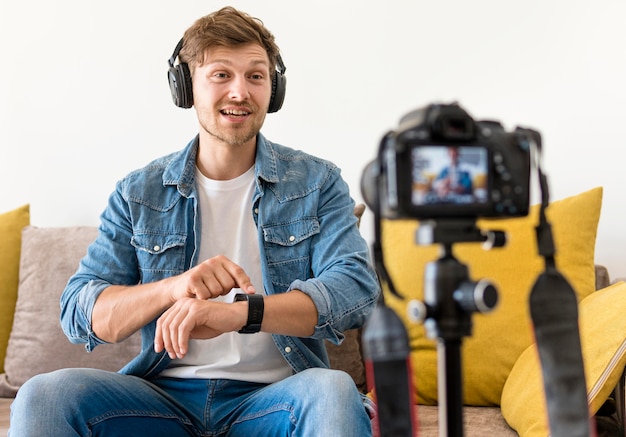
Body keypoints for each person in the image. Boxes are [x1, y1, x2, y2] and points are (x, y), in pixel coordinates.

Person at [9, 6, 380, 436]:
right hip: (160, 399)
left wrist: (241, 314)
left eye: (256, 76)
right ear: (185, 87)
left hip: (279, 399)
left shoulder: (317, 182)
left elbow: (353, 289)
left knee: (334, 390)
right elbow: (80, 310)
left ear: (273, 89)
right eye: (221, 75)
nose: (240, 92)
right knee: (43, 394)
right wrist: (174, 288)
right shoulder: (138, 192)